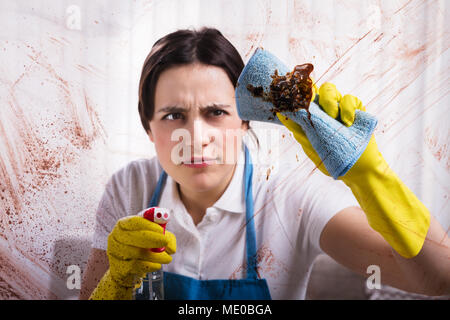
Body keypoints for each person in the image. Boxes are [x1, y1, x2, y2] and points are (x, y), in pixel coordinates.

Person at [79, 27, 449, 300]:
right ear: (148, 126)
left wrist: (370, 178)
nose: (196, 136)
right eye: (174, 115)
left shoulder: (292, 198)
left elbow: (438, 280)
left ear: (245, 119)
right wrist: (117, 284)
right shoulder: (130, 188)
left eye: (216, 112)